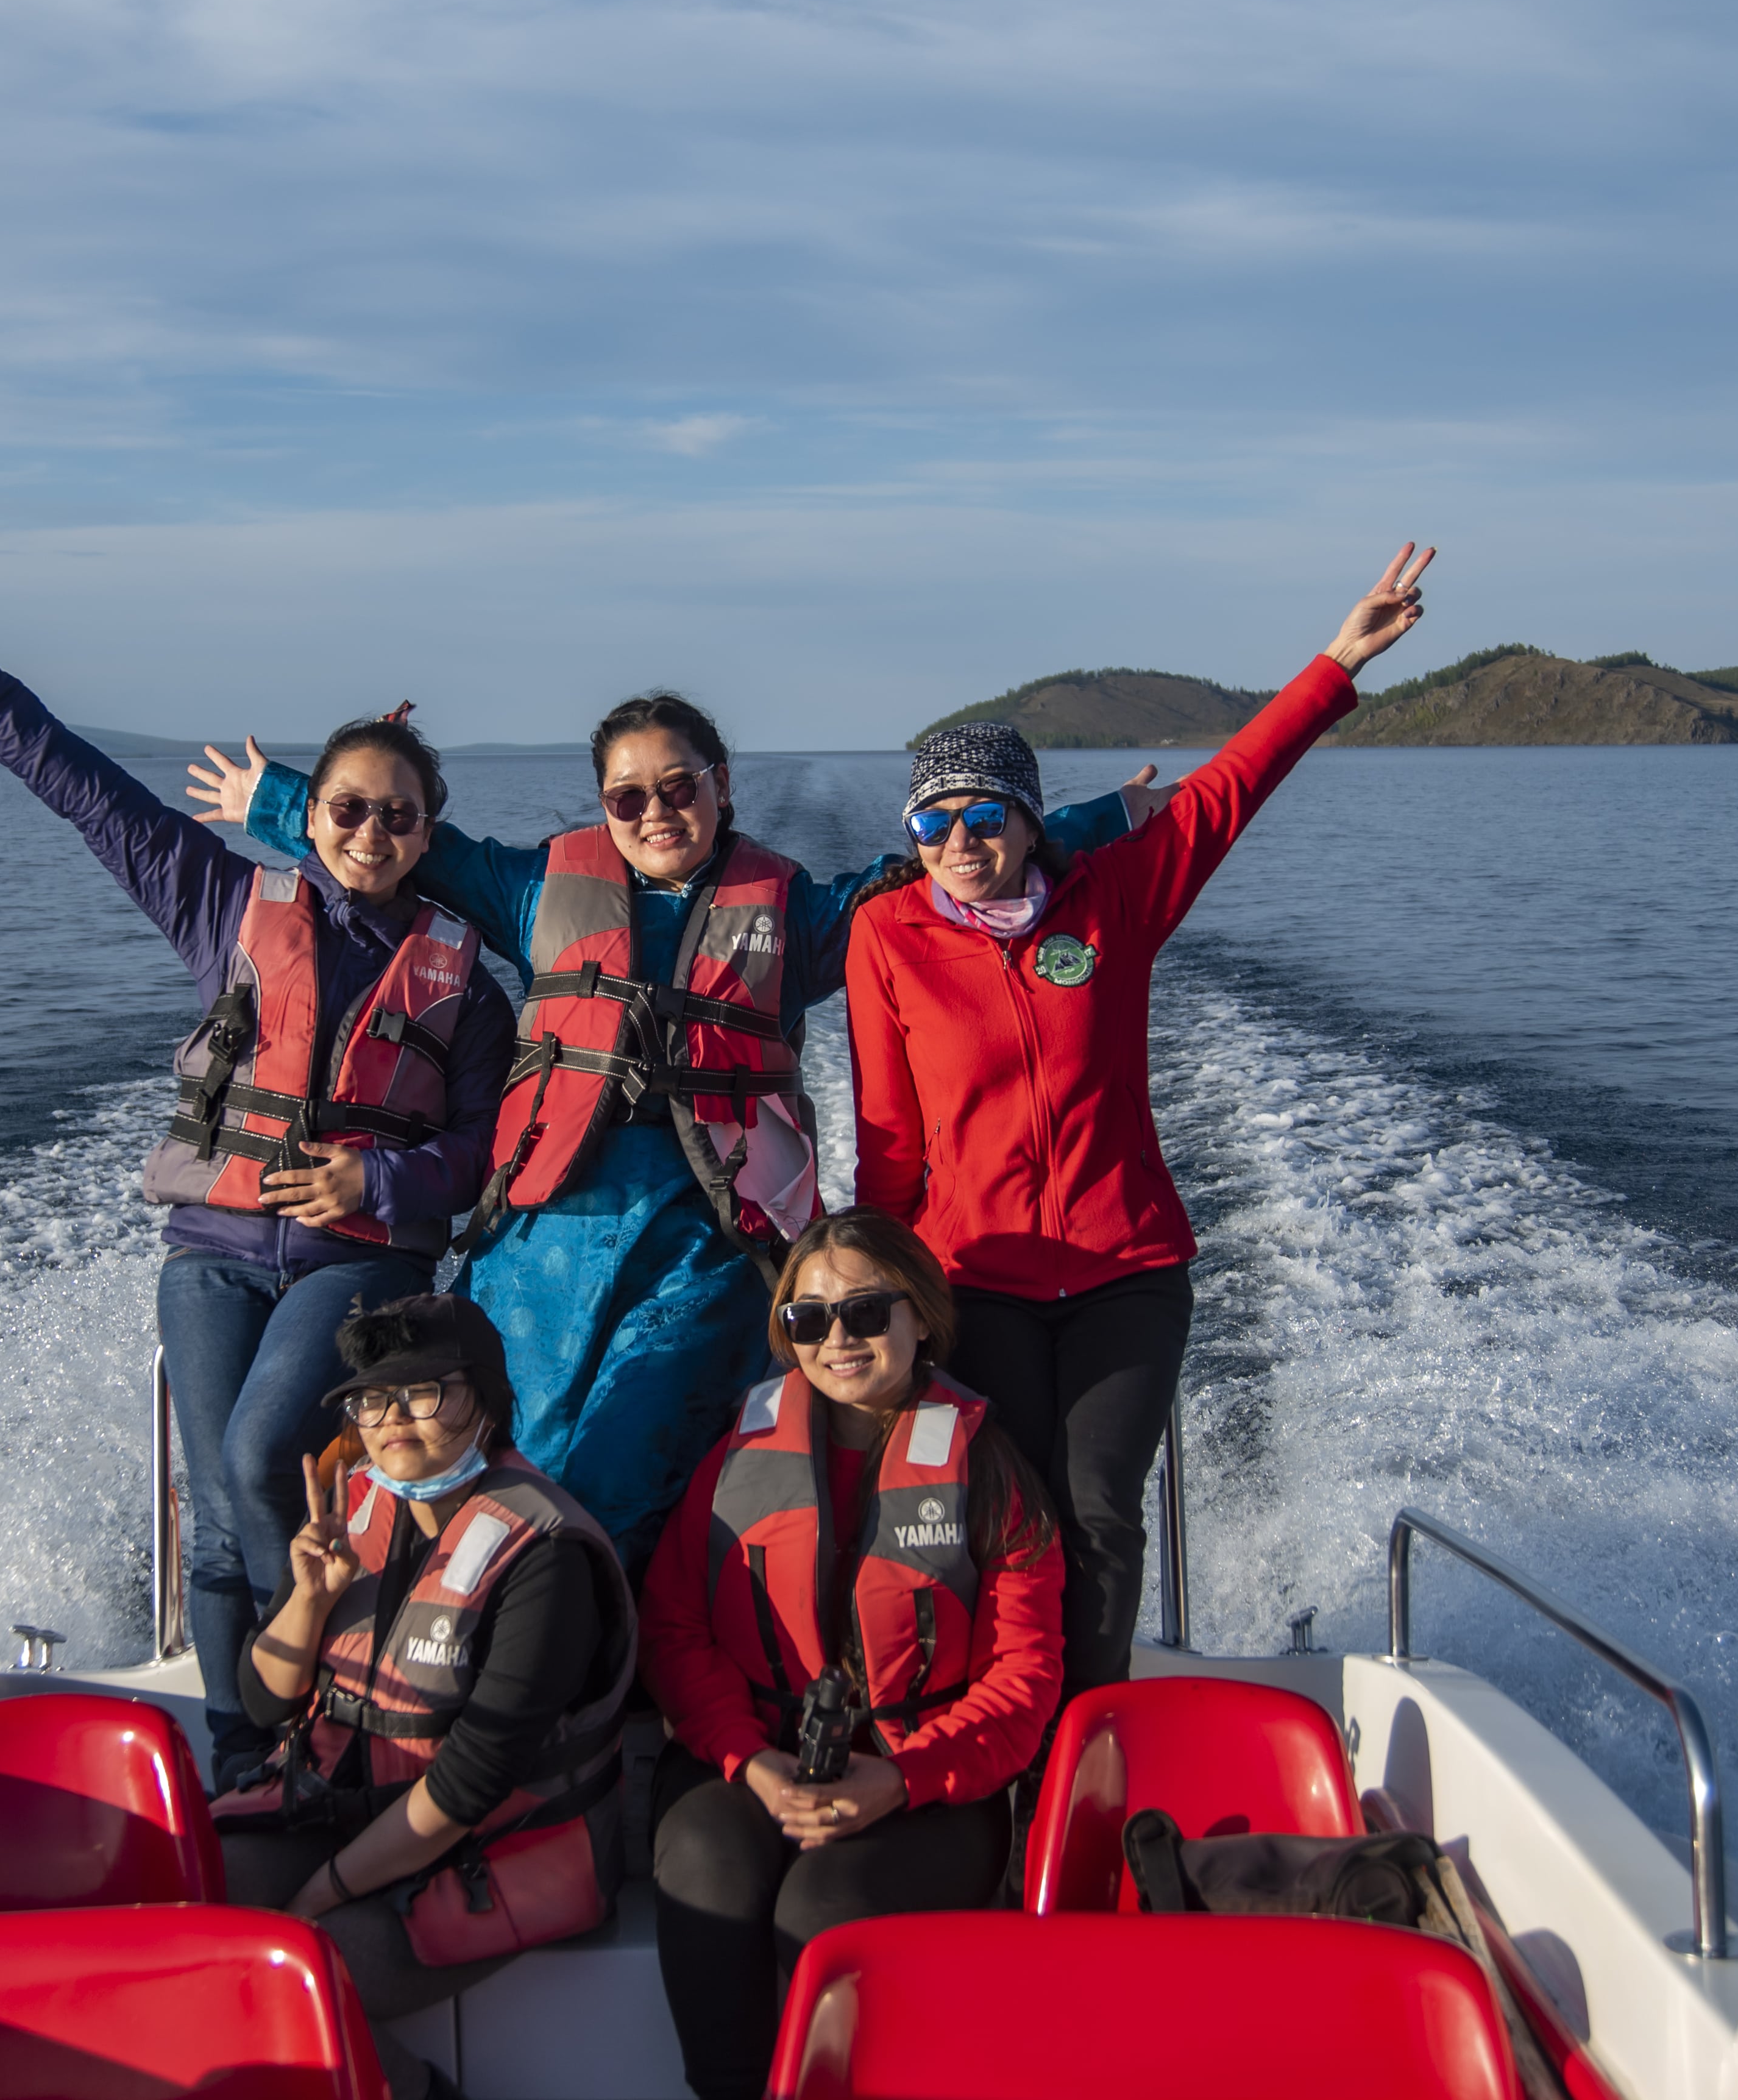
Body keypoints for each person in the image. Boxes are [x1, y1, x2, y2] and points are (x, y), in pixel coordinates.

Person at [185, 696, 1148, 1569]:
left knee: (615, 1469)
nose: (655, 811)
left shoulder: (802, 914)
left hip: (708, 1235)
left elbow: (942, 859)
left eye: (679, 786)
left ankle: (607, 1679)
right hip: (541, 1231)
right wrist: (275, 798)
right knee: (500, 1449)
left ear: (721, 787)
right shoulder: (536, 888)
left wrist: (1104, 821)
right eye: (627, 795)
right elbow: (405, 846)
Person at [0, 592, 514, 1781]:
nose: (370, 832)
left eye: (399, 816)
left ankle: (323, 1711)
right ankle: (245, 1756)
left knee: (264, 1448)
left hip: (359, 1260)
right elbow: (97, 805)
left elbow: (480, 1152)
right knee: (218, 1508)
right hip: (214, 1248)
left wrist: (372, 1174)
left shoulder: (469, 988)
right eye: (348, 809)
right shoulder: (228, 905)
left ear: (428, 834)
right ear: (310, 817)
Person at [845, 544, 1435, 1699]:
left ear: (1026, 819)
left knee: (1104, 1515)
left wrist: (1337, 662)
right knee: (1011, 1520)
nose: (958, 842)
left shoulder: (1113, 900)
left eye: (982, 815)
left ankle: (1083, 1747)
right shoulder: (888, 937)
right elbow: (888, 1136)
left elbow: (1228, 791)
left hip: (1127, 1270)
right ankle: (1010, 1731)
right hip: (982, 1279)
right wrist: (888, 1287)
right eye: (931, 824)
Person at [636, 1208, 1062, 2100]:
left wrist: (900, 1779)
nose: (838, 1338)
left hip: (929, 1783)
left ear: (922, 1318)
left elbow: (1025, 1681)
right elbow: (675, 1627)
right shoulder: (736, 1458)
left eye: (867, 1312)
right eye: (808, 1318)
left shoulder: (991, 1474)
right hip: (752, 1756)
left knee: (822, 1909)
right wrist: (752, 1761)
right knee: (707, 1866)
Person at [218, 1293, 636, 2100]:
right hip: (347, 1814)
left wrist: (320, 1893)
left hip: (494, 1855)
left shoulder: (546, 1553)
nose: (392, 1416)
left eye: (423, 1389)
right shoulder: (356, 1509)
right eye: (372, 1397)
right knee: (175, 1912)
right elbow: (266, 1706)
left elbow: (470, 1783)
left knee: (288, 1980)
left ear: (484, 1397)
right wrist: (308, 1597)